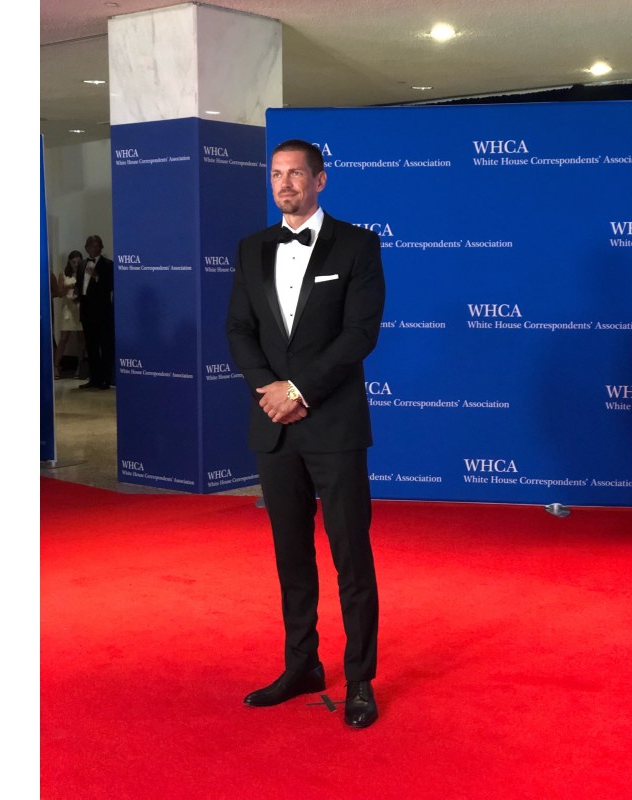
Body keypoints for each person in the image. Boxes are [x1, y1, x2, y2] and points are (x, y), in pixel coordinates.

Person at [226, 139, 386, 728]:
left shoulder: (358, 244)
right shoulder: (252, 248)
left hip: (334, 425)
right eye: (276, 174)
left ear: (320, 179)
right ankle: (302, 666)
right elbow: (239, 329)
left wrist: (298, 390)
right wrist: (270, 390)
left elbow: (360, 333)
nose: (285, 184)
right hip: (274, 427)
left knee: (351, 557)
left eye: (296, 174)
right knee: (291, 555)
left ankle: (361, 678)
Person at [76, 235, 114, 389]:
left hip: (102, 311)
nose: (95, 248)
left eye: (98, 245)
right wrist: (77, 294)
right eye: (92, 245)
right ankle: (94, 378)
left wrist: (96, 277)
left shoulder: (108, 264)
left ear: (101, 247)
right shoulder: (81, 264)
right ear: (86, 248)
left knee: (104, 346)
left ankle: (105, 379)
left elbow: (111, 286)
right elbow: (81, 284)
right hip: (86, 311)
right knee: (91, 346)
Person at [54, 250, 87, 379]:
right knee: (63, 338)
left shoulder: (84, 273)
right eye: (73, 262)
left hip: (80, 307)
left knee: (81, 338)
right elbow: (59, 293)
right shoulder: (63, 274)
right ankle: (56, 366)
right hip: (68, 308)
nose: (76, 265)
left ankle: (80, 366)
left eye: (78, 262)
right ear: (69, 262)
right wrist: (69, 287)